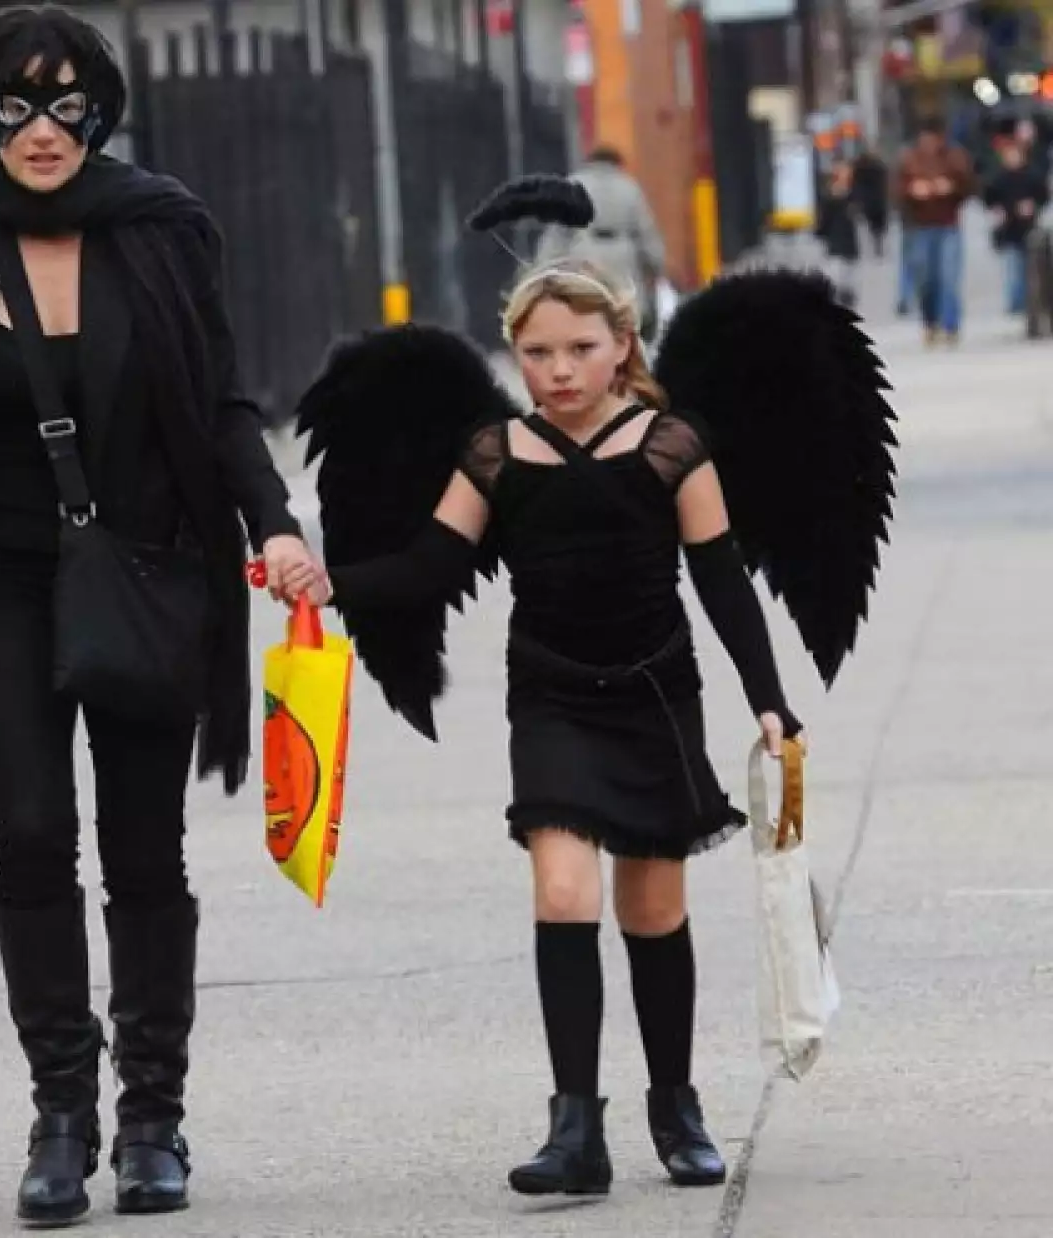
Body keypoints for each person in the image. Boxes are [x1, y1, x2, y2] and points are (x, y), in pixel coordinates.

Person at [288, 175, 895, 1199]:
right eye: (536, 353)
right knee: (563, 888)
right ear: (513, 354)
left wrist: (769, 695)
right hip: (554, 698)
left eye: (579, 349)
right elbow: (428, 567)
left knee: (652, 908)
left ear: (621, 346)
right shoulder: (494, 452)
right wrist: (323, 576)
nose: (558, 370)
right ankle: (575, 1122)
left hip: (655, 692)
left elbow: (720, 583)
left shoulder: (671, 446)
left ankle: (675, 1101)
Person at [0, 5, 320, 1227]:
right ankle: (61, 1111)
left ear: (99, 108)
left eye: (65, 99)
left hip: (147, 567)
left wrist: (273, 524)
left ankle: (153, 1117)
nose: (41, 127)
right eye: (14, 102)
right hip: (2, 582)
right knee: (27, 833)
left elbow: (224, 402)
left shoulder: (163, 230)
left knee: (142, 844)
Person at [534, 147, 666, 343]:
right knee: (624, 313)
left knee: (589, 311)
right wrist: (656, 263)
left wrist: (543, 268)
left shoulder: (574, 185)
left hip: (585, 252)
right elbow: (645, 231)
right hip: (624, 257)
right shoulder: (629, 187)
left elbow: (558, 233)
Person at [894, 117, 975, 345]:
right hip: (920, 226)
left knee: (949, 276)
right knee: (926, 279)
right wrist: (912, 191)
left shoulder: (954, 156)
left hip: (948, 224)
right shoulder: (909, 159)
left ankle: (951, 325)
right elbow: (895, 191)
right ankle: (930, 322)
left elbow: (970, 185)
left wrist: (951, 187)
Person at [982, 136, 1049, 315]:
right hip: (1008, 230)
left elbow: (1042, 196)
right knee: (1012, 268)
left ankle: (1027, 302)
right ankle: (1015, 303)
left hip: (1028, 228)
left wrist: (1033, 205)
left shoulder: (1032, 176)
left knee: (1029, 268)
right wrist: (996, 210)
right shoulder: (998, 178)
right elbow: (989, 198)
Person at [816, 159, 861, 307]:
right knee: (836, 272)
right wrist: (821, 232)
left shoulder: (852, 196)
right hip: (835, 241)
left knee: (847, 273)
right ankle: (840, 296)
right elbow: (824, 220)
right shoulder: (829, 197)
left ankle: (846, 295)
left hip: (848, 241)